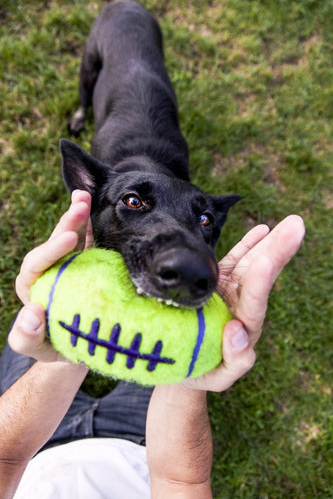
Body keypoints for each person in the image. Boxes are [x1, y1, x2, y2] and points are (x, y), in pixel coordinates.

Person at [0, 190, 305, 499]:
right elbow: (180, 483)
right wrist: (190, 377)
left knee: (35, 321)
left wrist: (69, 348)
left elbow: (4, 458)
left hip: (30, 446)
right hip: (145, 442)